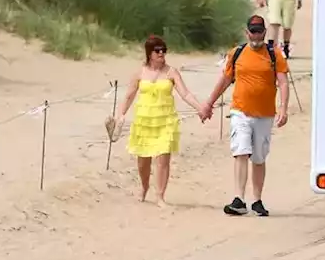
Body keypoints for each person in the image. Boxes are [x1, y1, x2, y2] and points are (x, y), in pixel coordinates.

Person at [201, 16, 289, 217]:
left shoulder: (274, 54)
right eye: (253, 31)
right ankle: (238, 199)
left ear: (264, 32)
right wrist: (209, 103)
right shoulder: (237, 53)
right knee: (241, 150)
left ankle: (257, 200)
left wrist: (283, 109)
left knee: (258, 157)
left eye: (259, 31)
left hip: (265, 114)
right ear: (246, 32)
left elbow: (283, 82)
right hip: (240, 111)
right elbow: (225, 79)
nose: (256, 35)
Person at [115, 36, 205, 207]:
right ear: (149, 53)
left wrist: (200, 108)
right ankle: (144, 187)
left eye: (164, 50)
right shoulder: (140, 72)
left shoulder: (171, 72)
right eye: (157, 50)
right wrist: (120, 114)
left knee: (163, 158)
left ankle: (160, 196)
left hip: (166, 120)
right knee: (143, 161)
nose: (161, 53)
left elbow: (185, 94)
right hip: (144, 120)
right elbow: (129, 96)